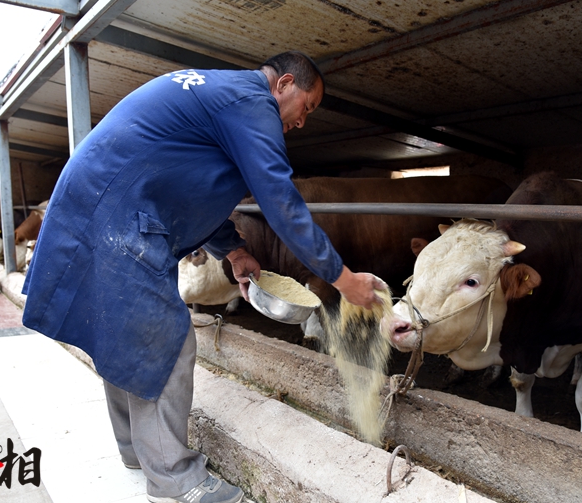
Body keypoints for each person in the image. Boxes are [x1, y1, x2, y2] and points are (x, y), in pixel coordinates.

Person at [21, 51, 385, 503]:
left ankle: (138, 450)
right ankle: (174, 479)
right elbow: (280, 199)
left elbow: (191, 188)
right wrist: (342, 277)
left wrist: (232, 250)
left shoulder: (222, 94)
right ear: (284, 84)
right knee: (167, 340)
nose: (302, 122)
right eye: (305, 107)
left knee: (120, 333)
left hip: (103, 206)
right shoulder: (251, 104)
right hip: (117, 215)